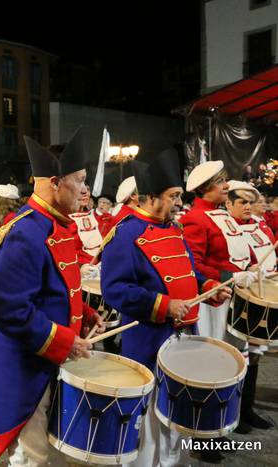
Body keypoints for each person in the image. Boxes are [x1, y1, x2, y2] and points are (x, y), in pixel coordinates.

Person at [101, 151, 231, 467]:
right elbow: (114, 290)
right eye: (173, 197)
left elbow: (189, 271)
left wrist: (206, 286)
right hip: (149, 338)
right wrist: (163, 304)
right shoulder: (125, 234)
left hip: (185, 334)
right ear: (150, 197)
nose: (177, 203)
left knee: (179, 409)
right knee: (147, 417)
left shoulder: (174, 228)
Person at [0, 129, 104, 465]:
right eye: (80, 180)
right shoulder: (23, 232)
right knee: (32, 457)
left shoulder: (55, 224)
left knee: (52, 452)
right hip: (27, 367)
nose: (85, 190)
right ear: (55, 182)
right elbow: (11, 311)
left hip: (50, 357)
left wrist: (82, 312)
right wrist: (64, 340)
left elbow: (52, 288)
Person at [179, 162, 259, 463]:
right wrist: (227, 276)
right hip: (213, 303)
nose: (227, 186)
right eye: (221, 182)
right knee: (210, 367)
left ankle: (221, 428)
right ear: (205, 188)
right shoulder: (194, 219)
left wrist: (251, 267)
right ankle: (202, 437)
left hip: (234, 299)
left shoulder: (223, 215)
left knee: (232, 366)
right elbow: (193, 265)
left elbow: (243, 250)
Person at [223, 181, 274, 435]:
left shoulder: (259, 225)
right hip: (234, 300)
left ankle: (247, 410)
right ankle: (230, 414)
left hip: (261, 297)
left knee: (254, 356)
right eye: (242, 201)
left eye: (250, 201)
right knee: (234, 359)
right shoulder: (225, 227)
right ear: (228, 203)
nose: (248, 206)